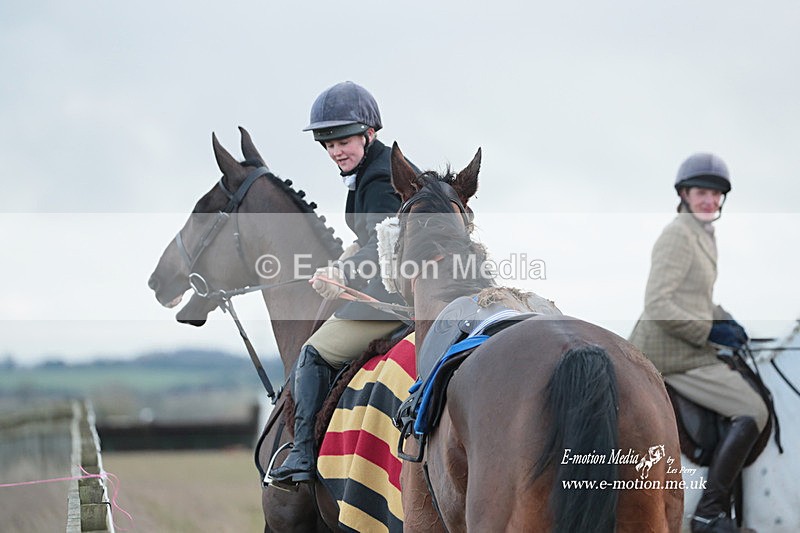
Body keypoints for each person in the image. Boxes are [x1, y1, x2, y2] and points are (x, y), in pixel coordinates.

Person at [268, 81, 408, 484]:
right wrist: (350, 253)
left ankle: (302, 456)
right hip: (383, 284)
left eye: (343, 141)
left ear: (369, 133)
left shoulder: (380, 176)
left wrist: (344, 272)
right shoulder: (371, 169)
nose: (335, 152)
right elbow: (376, 236)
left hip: (389, 298)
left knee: (312, 353)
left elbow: (388, 243)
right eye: (327, 145)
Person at [629, 153, 769, 533]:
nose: (710, 200)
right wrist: (709, 332)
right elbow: (658, 303)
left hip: (689, 344)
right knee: (753, 409)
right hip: (669, 352)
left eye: (716, 194)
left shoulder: (703, 233)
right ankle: (709, 510)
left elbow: (695, 297)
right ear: (685, 195)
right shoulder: (678, 234)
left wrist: (727, 320)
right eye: (702, 193)